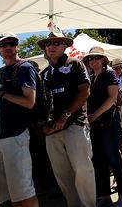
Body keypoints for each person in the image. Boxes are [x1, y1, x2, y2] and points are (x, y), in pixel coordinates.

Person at [38, 32, 96, 207]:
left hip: (75, 125)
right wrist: (43, 126)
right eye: (48, 44)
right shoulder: (44, 73)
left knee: (82, 170)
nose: (51, 46)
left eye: (56, 43)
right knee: (62, 175)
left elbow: (85, 91)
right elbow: (41, 103)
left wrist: (66, 115)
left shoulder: (75, 64)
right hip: (52, 132)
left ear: (65, 46)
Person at [0, 33, 39, 207]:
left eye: (11, 43)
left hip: (16, 135)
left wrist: (4, 94)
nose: (7, 47)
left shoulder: (25, 67)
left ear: (17, 46)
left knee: (24, 193)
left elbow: (30, 102)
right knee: (10, 196)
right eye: (3, 44)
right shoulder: (0, 72)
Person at [83, 47, 122, 207]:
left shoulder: (109, 74)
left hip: (109, 122)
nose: (93, 61)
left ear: (103, 59)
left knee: (113, 157)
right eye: (90, 58)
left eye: (97, 57)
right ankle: (105, 196)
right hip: (94, 125)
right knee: (98, 161)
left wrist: (95, 115)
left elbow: (112, 98)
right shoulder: (90, 77)